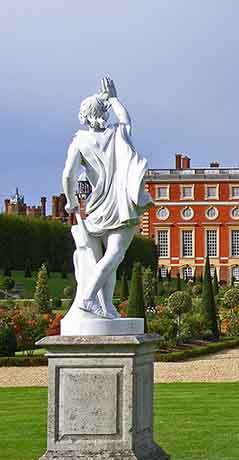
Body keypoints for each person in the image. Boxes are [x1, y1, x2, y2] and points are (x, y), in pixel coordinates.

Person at [62, 78, 152, 319]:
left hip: (97, 208)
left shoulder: (79, 141)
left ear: (84, 116)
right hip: (119, 205)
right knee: (114, 255)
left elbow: (68, 174)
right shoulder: (116, 133)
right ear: (103, 113)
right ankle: (88, 298)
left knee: (108, 259)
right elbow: (126, 119)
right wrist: (113, 98)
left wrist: (71, 201)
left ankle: (106, 306)